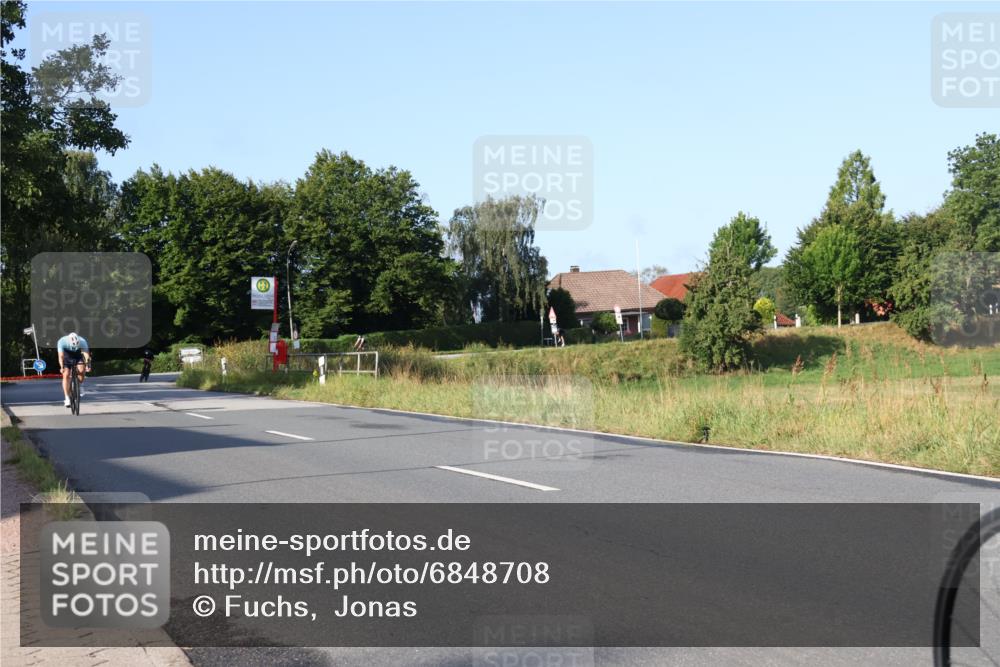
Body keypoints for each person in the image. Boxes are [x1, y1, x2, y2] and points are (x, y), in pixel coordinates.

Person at [57, 332, 91, 408]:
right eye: (73, 346)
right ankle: (67, 398)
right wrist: (62, 367)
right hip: (66, 356)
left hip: (78, 356)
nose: (75, 347)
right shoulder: (62, 341)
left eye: (76, 345)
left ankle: (80, 385)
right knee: (65, 375)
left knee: (82, 370)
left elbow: (86, 354)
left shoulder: (82, 341)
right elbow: (61, 356)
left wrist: (88, 364)